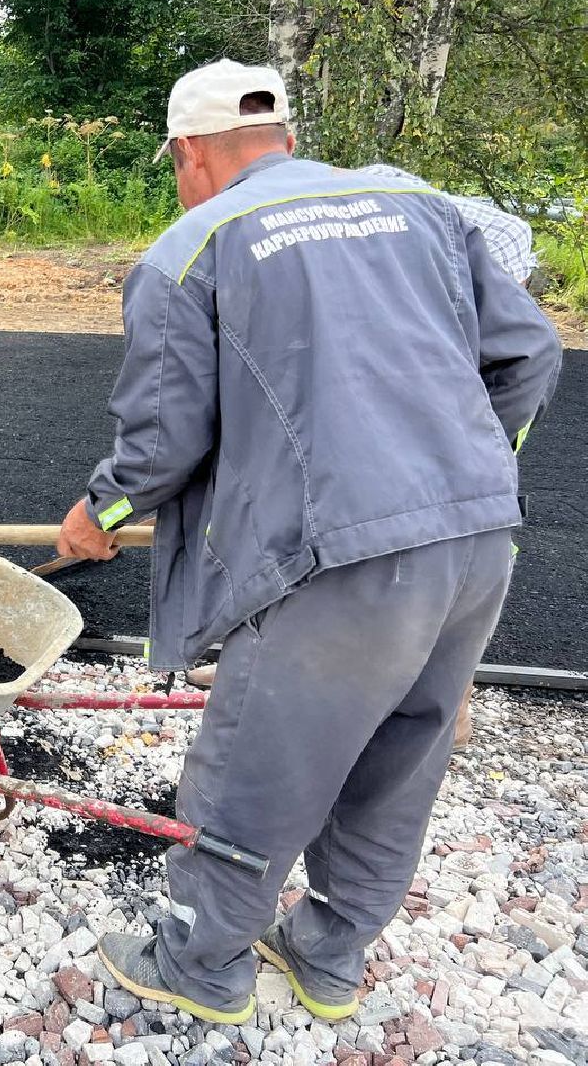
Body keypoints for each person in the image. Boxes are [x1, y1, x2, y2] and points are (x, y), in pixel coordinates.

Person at [55, 59, 561, 1025]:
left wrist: (100, 516)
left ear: (191, 153)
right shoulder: (421, 206)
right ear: (282, 139)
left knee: (258, 759)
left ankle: (200, 964)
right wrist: (465, 463)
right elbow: (530, 355)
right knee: (401, 750)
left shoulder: (192, 248)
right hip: (478, 543)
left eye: (176, 164)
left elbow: (161, 445)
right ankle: (330, 958)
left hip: (343, 565)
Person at [184, 161, 541, 754]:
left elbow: (523, 353)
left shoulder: (445, 232)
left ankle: (450, 700)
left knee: (428, 552)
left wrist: (469, 449)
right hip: (435, 419)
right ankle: (257, 664)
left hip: (449, 437)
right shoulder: (344, 215)